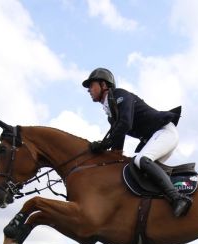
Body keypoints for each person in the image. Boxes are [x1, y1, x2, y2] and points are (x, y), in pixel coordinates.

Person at [82, 67, 191, 217]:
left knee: (141, 160)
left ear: (103, 84)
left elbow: (125, 124)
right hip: (156, 137)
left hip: (165, 132)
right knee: (136, 170)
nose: (88, 90)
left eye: (91, 85)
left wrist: (103, 144)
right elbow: (117, 146)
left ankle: (178, 198)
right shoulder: (111, 114)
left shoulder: (120, 95)